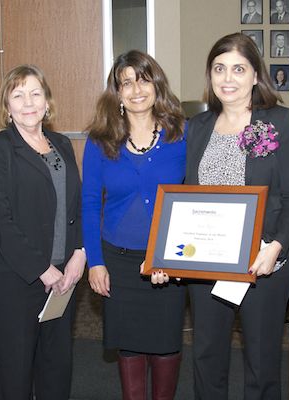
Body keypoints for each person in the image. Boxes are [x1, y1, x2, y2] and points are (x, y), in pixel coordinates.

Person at [186, 32, 289, 399]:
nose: (228, 78)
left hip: (263, 263)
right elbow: (188, 197)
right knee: (206, 358)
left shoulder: (280, 121)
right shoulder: (198, 127)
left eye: (238, 68)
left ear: (255, 75)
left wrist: (277, 247)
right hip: (208, 263)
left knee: (263, 364)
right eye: (219, 69)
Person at [82, 50, 187, 400]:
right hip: (118, 262)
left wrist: (171, 259)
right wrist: (95, 262)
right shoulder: (100, 140)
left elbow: (195, 200)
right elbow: (89, 203)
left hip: (168, 258)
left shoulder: (181, 136)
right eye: (126, 82)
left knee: (166, 344)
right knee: (129, 347)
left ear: (156, 85)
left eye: (143, 79)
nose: (136, 89)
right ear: (117, 92)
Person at [0, 64, 86, 400]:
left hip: (64, 279)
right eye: (18, 94)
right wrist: (43, 269)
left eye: (35, 93)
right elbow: (1, 220)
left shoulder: (61, 145)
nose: (28, 102)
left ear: (47, 101)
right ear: (6, 106)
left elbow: (75, 205)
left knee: (57, 368)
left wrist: (79, 254)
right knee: (16, 374)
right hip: (18, 280)